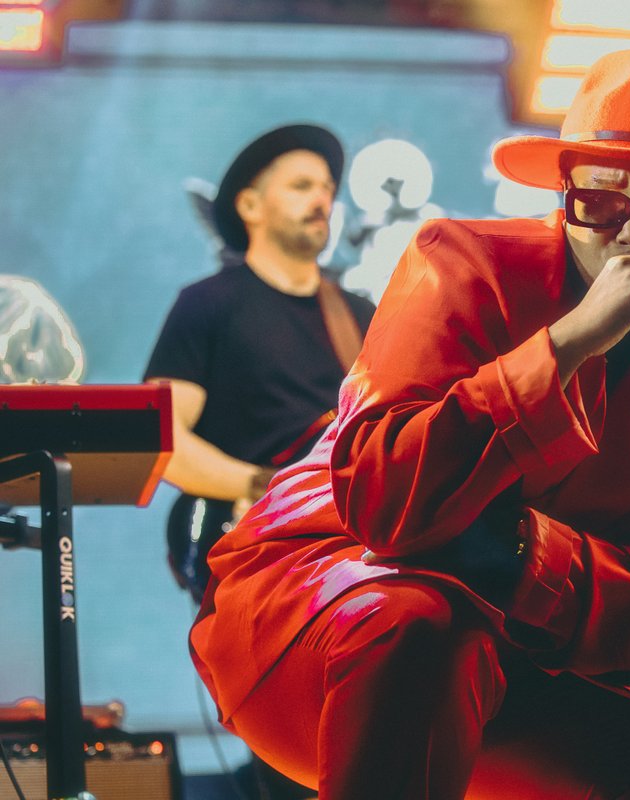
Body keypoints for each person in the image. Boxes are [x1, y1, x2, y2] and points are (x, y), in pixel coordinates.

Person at [190, 50, 630, 799]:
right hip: (337, 603)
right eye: (604, 201)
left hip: (559, 654)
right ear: (564, 199)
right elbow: (385, 506)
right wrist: (568, 343)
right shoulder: (462, 267)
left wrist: (527, 559)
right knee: (423, 627)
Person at [144, 124, 375, 798]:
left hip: (355, 544)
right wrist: (259, 485)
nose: (321, 201)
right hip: (260, 545)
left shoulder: (360, 315)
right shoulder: (207, 306)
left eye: (328, 190)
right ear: (249, 205)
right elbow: (160, 439)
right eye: (302, 186)